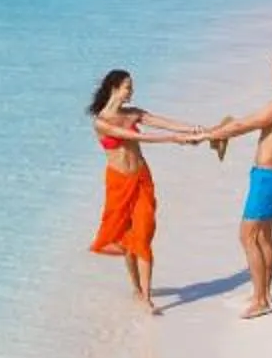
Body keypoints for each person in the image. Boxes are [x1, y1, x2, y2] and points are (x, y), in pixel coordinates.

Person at [86, 68, 214, 314]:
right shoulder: (101, 122)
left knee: (143, 234)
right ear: (114, 88)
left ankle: (146, 296)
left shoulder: (134, 113)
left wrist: (196, 129)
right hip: (118, 182)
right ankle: (136, 288)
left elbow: (164, 122)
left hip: (142, 178)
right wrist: (173, 140)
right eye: (127, 86)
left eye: (131, 86)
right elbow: (132, 137)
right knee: (115, 239)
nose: (131, 91)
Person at [204, 49, 272, 319]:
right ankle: (264, 292)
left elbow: (242, 125)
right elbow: (242, 124)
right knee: (263, 236)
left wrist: (208, 134)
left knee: (247, 236)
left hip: (267, 179)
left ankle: (260, 300)